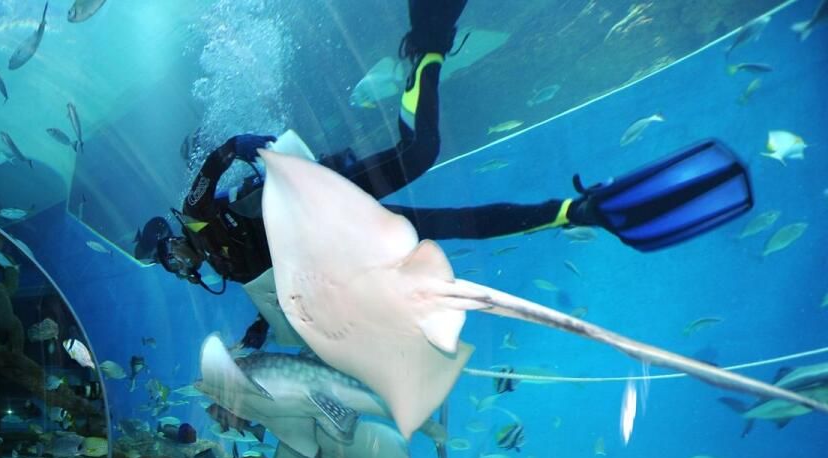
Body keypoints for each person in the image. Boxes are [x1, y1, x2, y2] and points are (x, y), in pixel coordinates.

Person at [139, 0, 751, 341]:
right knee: (448, 225)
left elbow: (207, 176)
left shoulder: (196, 222)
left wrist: (234, 145)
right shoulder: (221, 269)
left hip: (317, 196)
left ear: (172, 239)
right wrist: (261, 327)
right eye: (168, 263)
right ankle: (574, 211)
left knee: (419, 152)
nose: (177, 261)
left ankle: (426, 43)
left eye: (168, 251)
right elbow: (275, 282)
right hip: (334, 237)